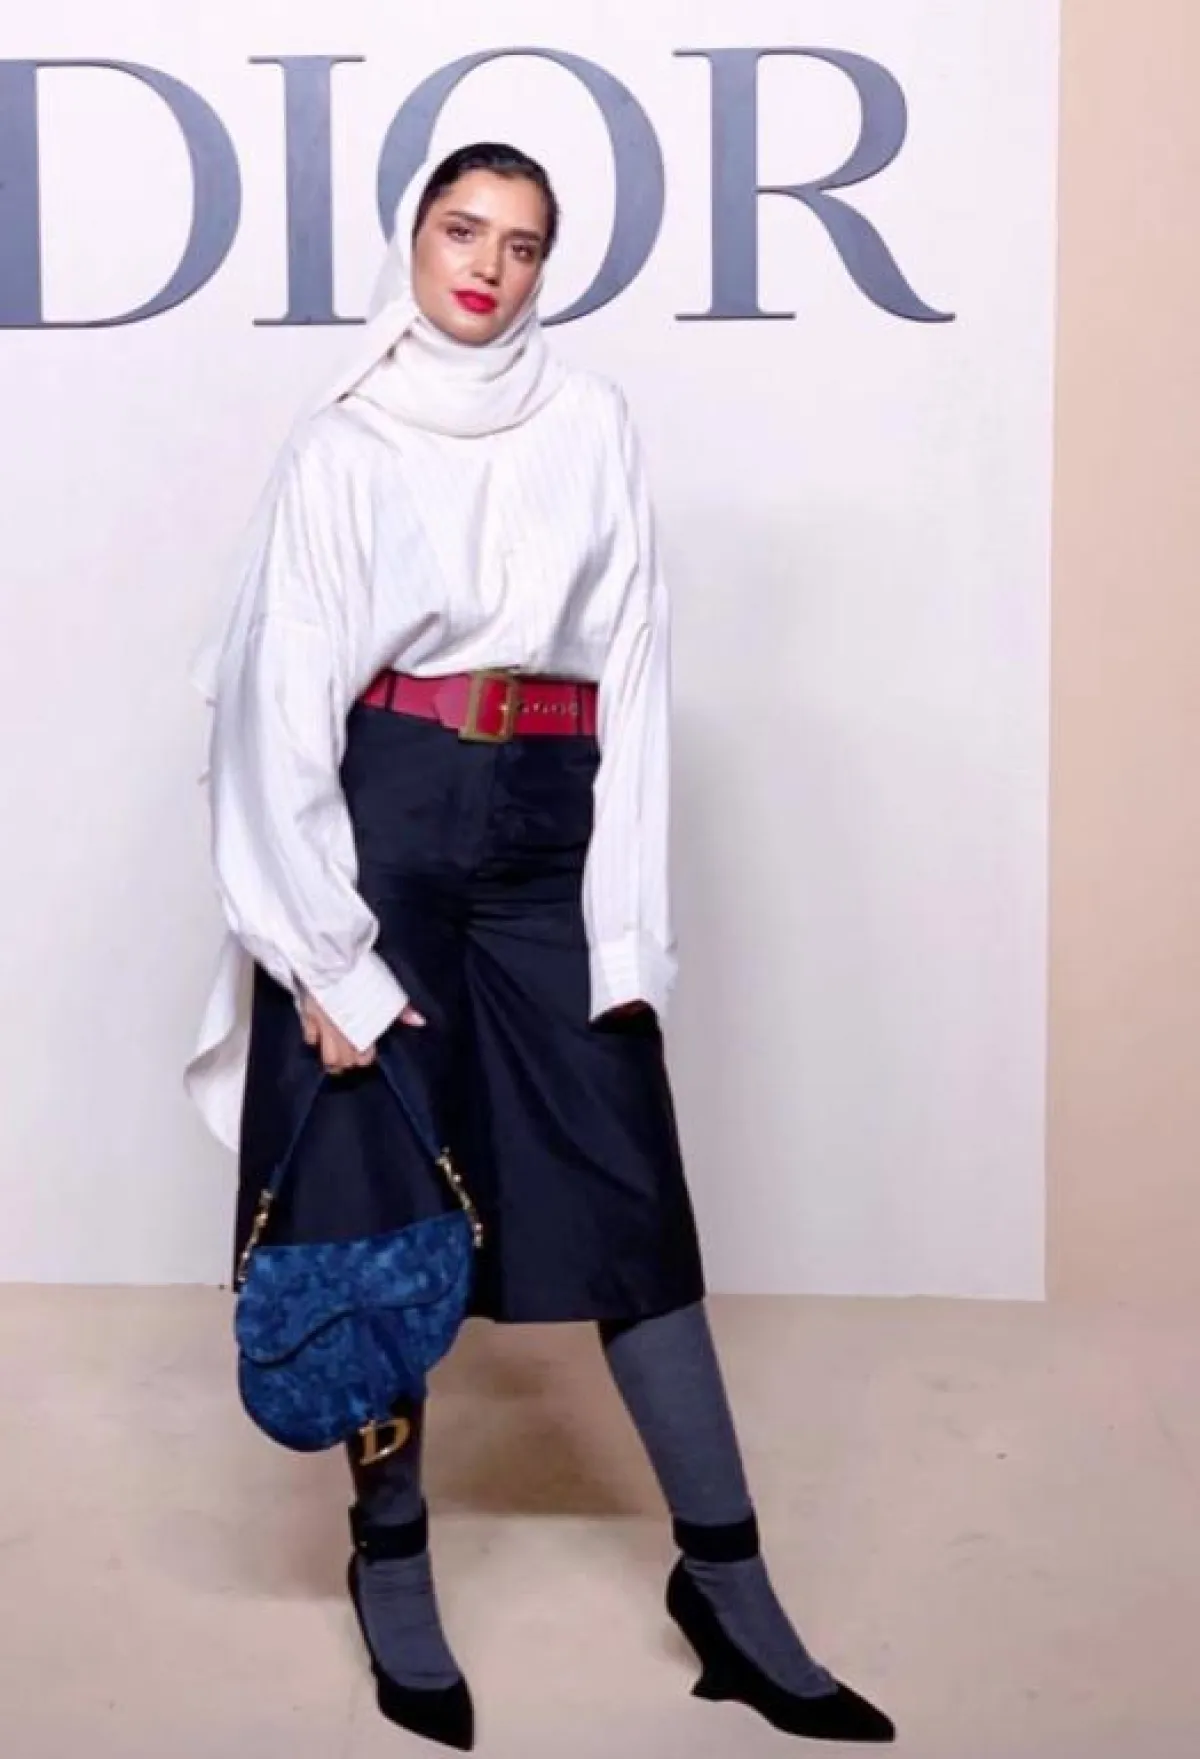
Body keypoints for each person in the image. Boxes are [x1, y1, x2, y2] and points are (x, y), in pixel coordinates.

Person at [186, 141, 895, 1751]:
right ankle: (391, 1561)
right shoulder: (345, 440)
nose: (486, 266)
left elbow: (635, 658)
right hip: (383, 815)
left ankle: (727, 1581)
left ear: (544, 270)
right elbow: (278, 691)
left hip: (548, 819)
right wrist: (323, 951)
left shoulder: (591, 420)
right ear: (415, 241)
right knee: (373, 1208)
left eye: (520, 245)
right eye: (463, 231)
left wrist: (626, 927)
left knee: (630, 1191)